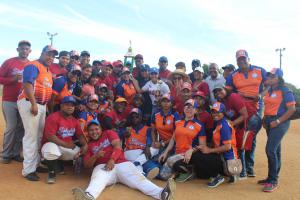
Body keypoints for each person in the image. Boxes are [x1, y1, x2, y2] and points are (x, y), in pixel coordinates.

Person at [72, 120, 175, 200]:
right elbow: (87, 165)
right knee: (97, 179)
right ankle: (88, 196)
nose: (94, 132)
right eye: (91, 130)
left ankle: (162, 193)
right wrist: (95, 156)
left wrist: (112, 159)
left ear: (100, 129)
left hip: (121, 163)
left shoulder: (108, 133)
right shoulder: (89, 145)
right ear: (88, 133)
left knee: (139, 180)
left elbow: (117, 146)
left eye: (96, 129)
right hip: (103, 167)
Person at [17, 45, 57, 181]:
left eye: (53, 56)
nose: (50, 57)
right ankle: (28, 170)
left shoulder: (48, 71)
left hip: (40, 105)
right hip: (30, 102)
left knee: (39, 136)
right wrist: (33, 103)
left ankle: (35, 164)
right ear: (42, 53)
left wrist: (44, 107)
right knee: (31, 137)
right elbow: (27, 84)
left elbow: (47, 91)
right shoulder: (33, 65)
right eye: (48, 54)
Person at [226, 49, 267, 177]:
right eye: (239, 59)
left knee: (251, 136)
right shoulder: (232, 75)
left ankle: (249, 166)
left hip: (256, 105)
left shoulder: (260, 70)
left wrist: (260, 95)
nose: (241, 61)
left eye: (243, 58)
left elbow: (269, 86)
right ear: (236, 61)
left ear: (248, 59)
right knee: (240, 136)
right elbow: (228, 92)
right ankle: (243, 167)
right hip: (240, 108)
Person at [259, 68, 296, 192]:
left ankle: (273, 181)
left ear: (278, 78)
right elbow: (269, 106)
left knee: (270, 150)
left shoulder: (286, 90)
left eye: (272, 76)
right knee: (276, 150)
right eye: (268, 75)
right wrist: (265, 118)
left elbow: (292, 110)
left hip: (280, 122)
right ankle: (271, 177)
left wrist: (278, 121)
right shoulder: (269, 90)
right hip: (270, 121)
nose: (268, 77)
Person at [41, 96, 88, 184]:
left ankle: (59, 163)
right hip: (51, 144)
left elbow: (80, 135)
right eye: (67, 104)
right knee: (52, 151)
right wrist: (66, 145)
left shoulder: (74, 121)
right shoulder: (53, 117)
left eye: (72, 105)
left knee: (81, 153)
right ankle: (51, 173)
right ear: (61, 106)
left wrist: (85, 145)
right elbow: (50, 136)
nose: (70, 107)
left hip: (65, 146)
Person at [158, 99, 206, 183]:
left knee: (170, 161)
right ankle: (177, 172)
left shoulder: (199, 125)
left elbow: (203, 145)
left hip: (189, 155)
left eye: (191, 107)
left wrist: (191, 151)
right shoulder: (178, 121)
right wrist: (165, 152)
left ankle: (190, 171)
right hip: (177, 153)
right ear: (184, 109)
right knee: (163, 176)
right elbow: (173, 138)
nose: (188, 109)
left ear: (195, 110)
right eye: (187, 107)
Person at [0, 40, 31, 164]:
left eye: (26, 49)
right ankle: (6, 154)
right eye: (22, 48)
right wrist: (13, 79)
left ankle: (16, 153)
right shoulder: (9, 62)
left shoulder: (31, 65)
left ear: (30, 51)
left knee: (21, 128)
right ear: (17, 49)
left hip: (23, 101)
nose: (24, 51)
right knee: (11, 127)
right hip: (9, 100)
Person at [197, 102, 239, 188]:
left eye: (218, 112)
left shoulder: (224, 126)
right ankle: (226, 175)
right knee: (201, 154)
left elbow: (227, 147)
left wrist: (209, 150)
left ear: (223, 113)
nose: (215, 114)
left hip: (228, 161)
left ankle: (218, 176)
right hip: (223, 157)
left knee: (201, 156)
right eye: (213, 112)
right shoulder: (219, 123)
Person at [213, 84, 248, 179]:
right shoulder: (221, 101)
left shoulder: (233, 97)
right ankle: (234, 170)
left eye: (220, 90)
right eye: (215, 92)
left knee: (240, 148)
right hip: (232, 127)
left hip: (240, 125)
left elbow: (244, 115)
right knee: (232, 147)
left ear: (225, 89)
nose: (218, 93)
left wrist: (232, 123)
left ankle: (243, 172)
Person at [124, 108, 159, 178]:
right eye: (132, 117)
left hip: (143, 153)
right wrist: (124, 134)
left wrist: (147, 146)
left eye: (137, 116)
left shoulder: (147, 129)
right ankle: (138, 164)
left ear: (141, 117)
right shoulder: (127, 129)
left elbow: (149, 139)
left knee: (155, 149)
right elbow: (120, 136)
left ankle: (140, 171)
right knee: (146, 161)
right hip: (130, 152)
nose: (134, 118)